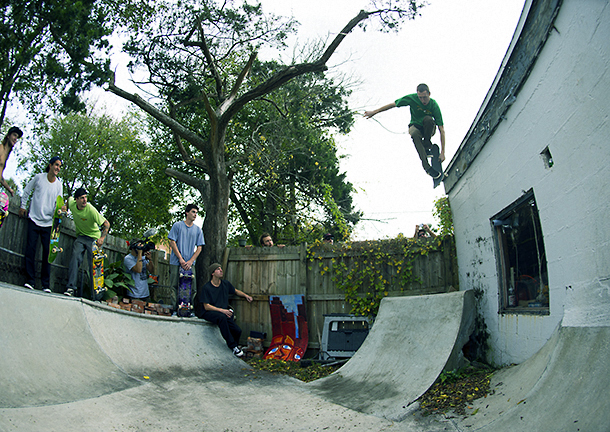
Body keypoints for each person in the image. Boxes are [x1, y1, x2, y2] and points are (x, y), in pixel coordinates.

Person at [364, 83, 446, 179]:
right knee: (414, 133)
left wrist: (443, 152)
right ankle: (427, 168)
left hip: (428, 129)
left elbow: (442, 130)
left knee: (428, 119)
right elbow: (393, 105)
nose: (423, 100)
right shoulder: (412, 98)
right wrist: (374, 112)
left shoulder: (434, 105)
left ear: (429, 94)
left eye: (424, 97)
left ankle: (426, 144)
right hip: (415, 126)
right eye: (420, 98)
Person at [19, 156, 64, 292]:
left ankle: (45, 284)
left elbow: (59, 204)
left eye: (60, 166)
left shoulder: (59, 185)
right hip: (33, 218)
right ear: (50, 165)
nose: (58, 168)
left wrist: (62, 211)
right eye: (56, 165)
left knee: (47, 254)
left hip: (48, 224)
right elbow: (27, 191)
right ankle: (30, 281)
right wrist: (22, 206)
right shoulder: (39, 178)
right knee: (30, 250)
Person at [195, 263, 253, 357]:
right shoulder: (207, 287)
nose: (221, 270)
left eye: (221, 268)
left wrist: (246, 296)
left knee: (237, 330)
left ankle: (235, 347)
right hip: (209, 313)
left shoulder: (225, 284)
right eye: (218, 269)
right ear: (213, 273)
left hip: (224, 313)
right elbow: (206, 306)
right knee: (222, 317)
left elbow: (236, 291)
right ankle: (233, 346)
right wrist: (222, 310)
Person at [63, 188, 110, 297]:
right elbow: (68, 201)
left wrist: (102, 238)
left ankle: (96, 295)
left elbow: (106, 224)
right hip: (81, 237)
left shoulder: (91, 209)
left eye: (85, 197)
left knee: (94, 265)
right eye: (82, 198)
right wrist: (65, 208)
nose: (85, 200)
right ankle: (71, 288)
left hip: (93, 238)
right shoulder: (72, 203)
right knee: (75, 257)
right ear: (76, 200)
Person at [168, 204, 205, 310]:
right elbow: (172, 242)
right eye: (193, 212)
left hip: (190, 264)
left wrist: (190, 261)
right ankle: (175, 310)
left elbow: (199, 248)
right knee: (174, 286)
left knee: (192, 288)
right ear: (187, 213)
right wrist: (180, 259)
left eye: (196, 213)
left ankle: (189, 310)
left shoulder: (198, 230)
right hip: (176, 262)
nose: (195, 215)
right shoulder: (177, 226)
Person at [123, 238, 156, 302]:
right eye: (139, 245)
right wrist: (140, 254)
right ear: (133, 247)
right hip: (134, 295)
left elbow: (151, 270)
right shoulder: (128, 258)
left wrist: (150, 260)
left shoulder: (142, 257)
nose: (141, 247)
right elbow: (138, 270)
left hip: (145, 294)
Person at [0, 126, 23, 196]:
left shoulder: (6, 155)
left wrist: (9, 189)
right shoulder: (1, 148)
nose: (15, 139)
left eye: (17, 137)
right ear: (8, 136)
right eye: (14, 135)